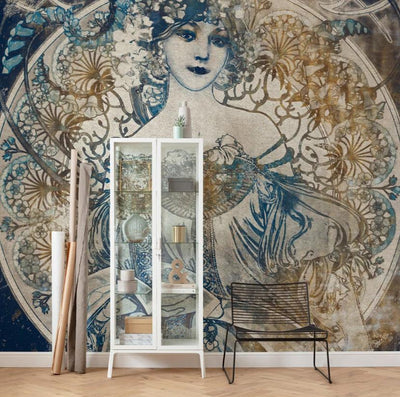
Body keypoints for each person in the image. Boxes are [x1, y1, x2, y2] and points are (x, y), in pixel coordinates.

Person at [115, 0, 368, 349]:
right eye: (186, 35)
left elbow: (301, 235)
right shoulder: (138, 144)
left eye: (218, 40)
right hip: (173, 317)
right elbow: (131, 253)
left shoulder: (258, 131)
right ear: (157, 42)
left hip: (262, 319)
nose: (203, 53)